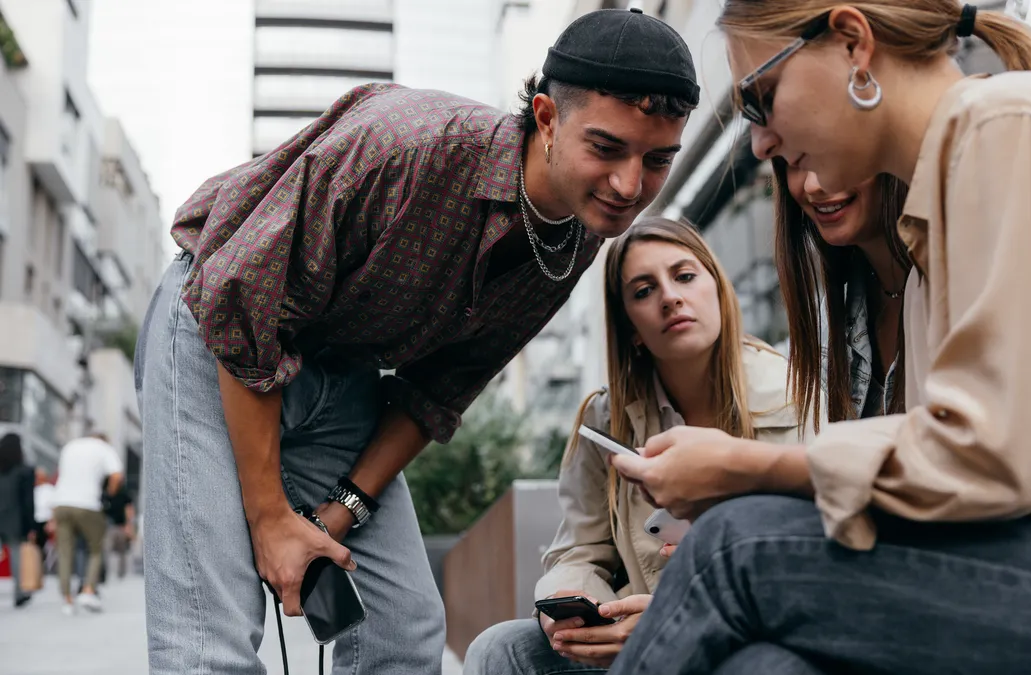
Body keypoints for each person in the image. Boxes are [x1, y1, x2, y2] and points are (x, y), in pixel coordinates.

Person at [606, 2, 1031, 674]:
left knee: (731, 547)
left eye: (762, 99)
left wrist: (747, 469)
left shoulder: (1011, 127)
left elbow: (995, 457)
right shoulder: (944, 210)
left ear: (855, 43)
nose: (761, 143)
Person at [134, 8, 699, 673]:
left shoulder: (578, 234)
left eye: (657, 159)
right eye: (606, 148)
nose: (630, 185)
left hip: (340, 374)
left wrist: (338, 513)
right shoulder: (408, 146)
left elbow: (439, 390)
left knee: (403, 627)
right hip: (217, 333)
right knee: (210, 640)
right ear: (547, 118)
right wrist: (270, 519)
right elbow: (241, 302)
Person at [463, 217, 812, 674]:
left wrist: (678, 613)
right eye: (643, 291)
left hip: (754, 624)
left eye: (684, 276)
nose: (670, 297)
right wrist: (586, 608)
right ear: (631, 327)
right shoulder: (605, 420)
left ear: (719, 291)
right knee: (502, 648)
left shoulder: (798, 395)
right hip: (641, 629)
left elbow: (819, 551)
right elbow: (578, 551)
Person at [773, 163, 909, 425]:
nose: (812, 185)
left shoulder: (961, 280)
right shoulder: (829, 320)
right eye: (794, 163)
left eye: (824, 152)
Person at [51, 432, 123, 615]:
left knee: (65, 552)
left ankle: (67, 599)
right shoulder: (104, 448)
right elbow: (116, 476)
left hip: (61, 503)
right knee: (96, 549)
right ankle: (88, 590)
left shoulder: (70, 446)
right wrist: (109, 494)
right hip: (87, 504)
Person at [0, 433, 36, 608]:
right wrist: (31, 525)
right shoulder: (24, 470)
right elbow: (28, 501)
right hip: (13, 517)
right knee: (16, 555)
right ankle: (19, 592)